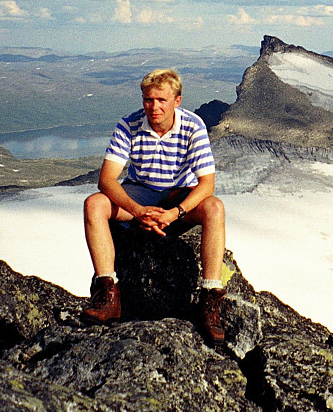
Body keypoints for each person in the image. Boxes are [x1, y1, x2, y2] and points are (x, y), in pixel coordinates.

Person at [82, 68, 227, 342]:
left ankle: (210, 298)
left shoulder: (193, 126)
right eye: (148, 99)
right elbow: (106, 180)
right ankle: (108, 293)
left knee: (214, 208)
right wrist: (138, 211)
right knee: (94, 205)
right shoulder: (129, 125)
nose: (154, 107)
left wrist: (175, 213)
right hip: (139, 195)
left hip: (178, 196)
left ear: (177, 101)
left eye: (162, 100)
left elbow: (207, 183)